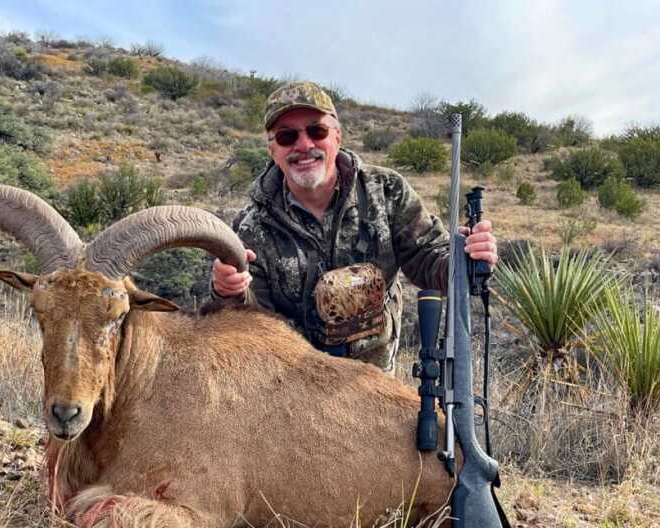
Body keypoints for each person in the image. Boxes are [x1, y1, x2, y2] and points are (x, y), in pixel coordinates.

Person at [211, 81, 497, 373]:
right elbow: (252, 320)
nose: (304, 145)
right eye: (287, 136)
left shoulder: (387, 190)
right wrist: (227, 290)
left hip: (374, 380)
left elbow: (427, 257)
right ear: (272, 149)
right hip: (294, 383)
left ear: (337, 136)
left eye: (317, 131)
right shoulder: (252, 227)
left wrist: (466, 259)